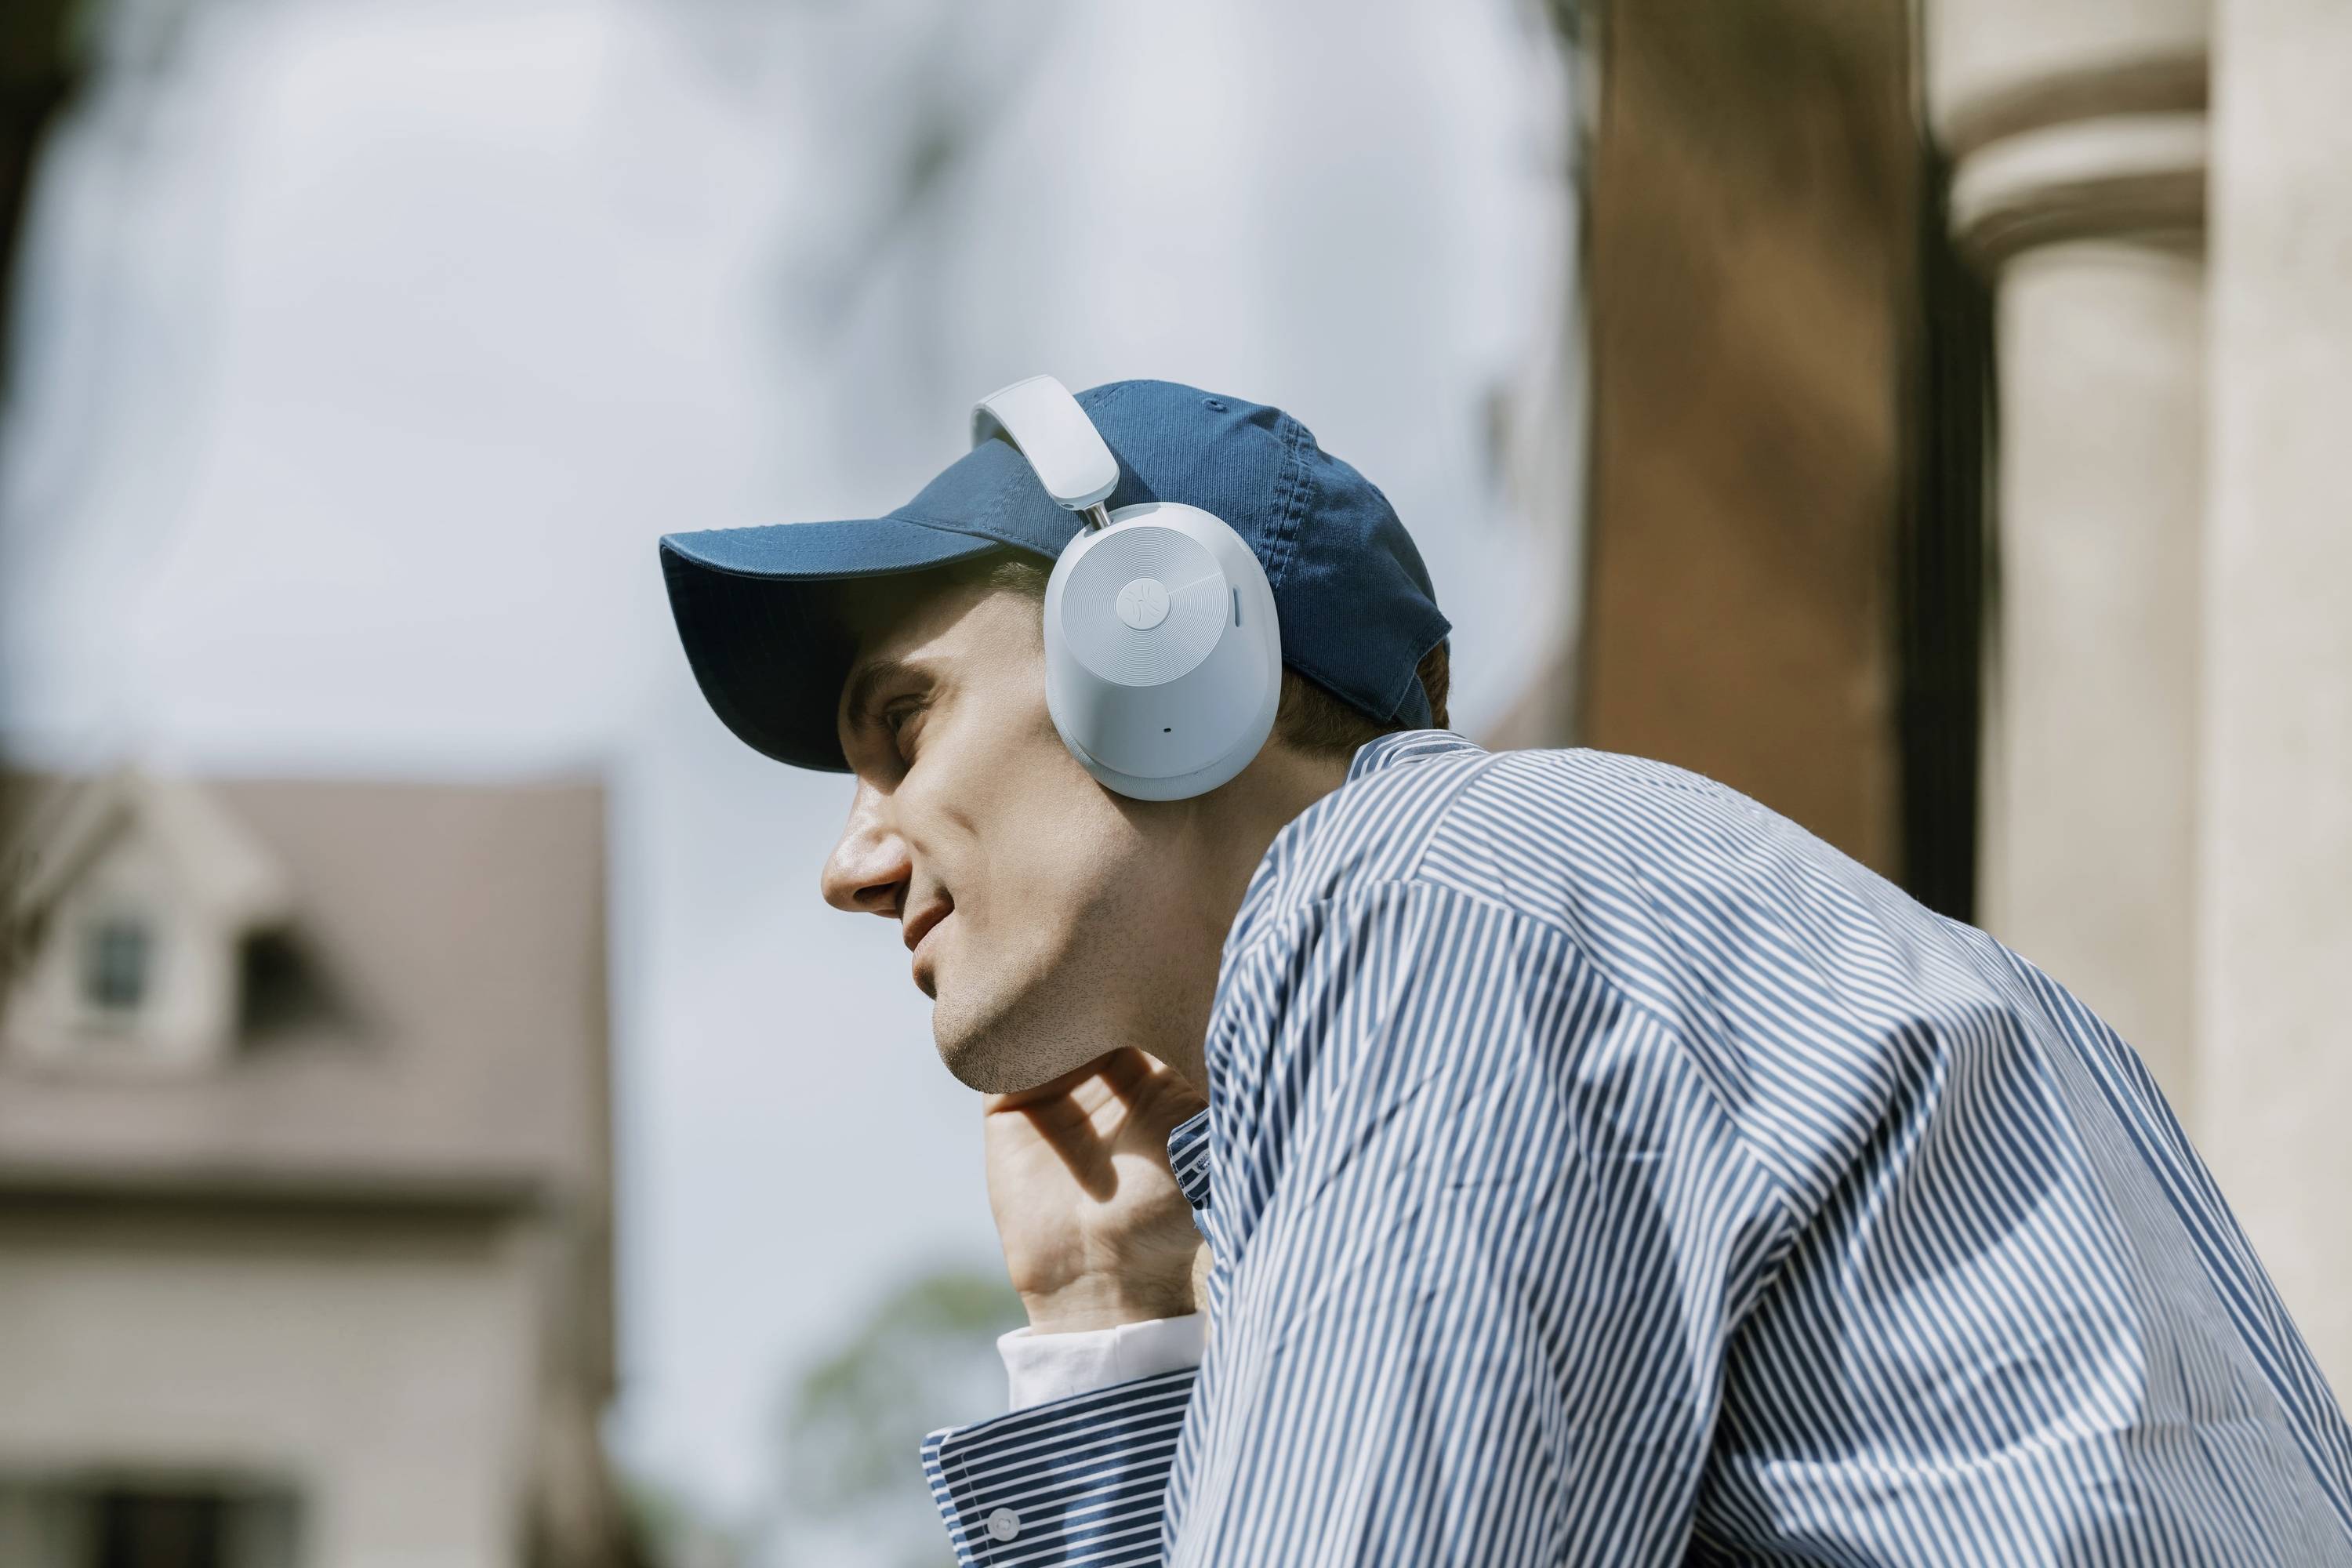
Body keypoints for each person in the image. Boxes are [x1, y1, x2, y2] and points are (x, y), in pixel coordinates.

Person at [658, 378, 2352, 1566]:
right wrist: (1109, 1326)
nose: (853, 863)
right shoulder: (1544, 912)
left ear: (1148, 632)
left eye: (903, 728)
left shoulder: (1430, 916)